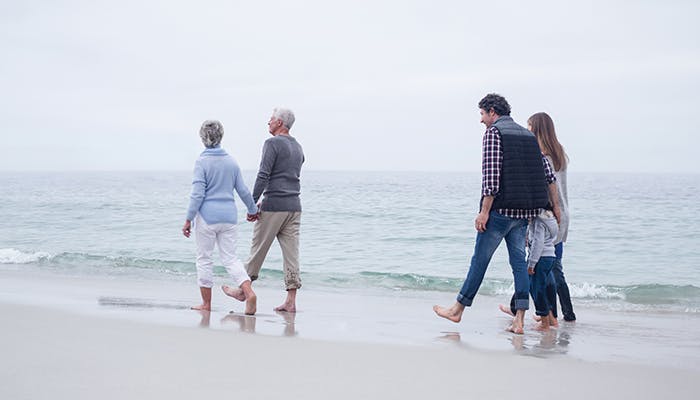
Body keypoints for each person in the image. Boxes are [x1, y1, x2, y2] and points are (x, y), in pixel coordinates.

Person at [433, 94, 561, 334]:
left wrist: (484, 212)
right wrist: (557, 208)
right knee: (519, 265)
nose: (481, 120)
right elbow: (548, 176)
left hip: (500, 212)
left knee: (479, 262)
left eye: (482, 114)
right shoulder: (528, 135)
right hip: (524, 214)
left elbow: (491, 178)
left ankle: (457, 310)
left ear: (492, 111)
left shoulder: (494, 133)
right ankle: (519, 320)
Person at [499, 112, 576, 322]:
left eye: (530, 126)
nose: (527, 130)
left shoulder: (542, 155)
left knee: (543, 266)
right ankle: (561, 313)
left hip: (548, 214)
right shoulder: (560, 153)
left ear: (538, 129)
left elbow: (542, 187)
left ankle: (543, 312)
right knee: (552, 265)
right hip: (562, 214)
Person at [227, 108, 305, 312]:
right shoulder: (298, 147)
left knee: (257, 250)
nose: (268, 122)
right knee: (292, 255)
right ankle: (291, 301)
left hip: (274, 206)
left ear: (280, 122)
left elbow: (264, 175)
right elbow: (289, 174)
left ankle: (243, 291)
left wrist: (252, 204)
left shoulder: (272, 144)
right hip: (294, 207)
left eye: (271, 119)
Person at [182, 120, 259, 315]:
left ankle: (206, 304)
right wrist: (252, 209)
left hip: (207, 218)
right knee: (231, 259)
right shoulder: (231, 161)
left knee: (204, 259)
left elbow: (197, 193)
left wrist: (189, 218)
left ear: (202, 138)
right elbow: (242, 190)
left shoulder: (202, 162)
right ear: (221, 136)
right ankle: (249, 293)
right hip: (229, 218)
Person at [525, 209, 559, 330]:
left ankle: (545, 322)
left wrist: (531, 264)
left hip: (540, 258)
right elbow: (553, 237)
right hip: (550, 256)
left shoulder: (538, 221)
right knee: (545, 287)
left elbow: (538, 243)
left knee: (536, 289)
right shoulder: (550, 218)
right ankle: (551, 319)